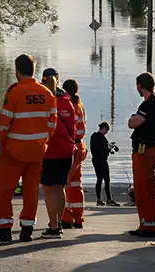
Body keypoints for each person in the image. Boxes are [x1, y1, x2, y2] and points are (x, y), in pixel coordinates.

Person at [0, 54, 57, 243]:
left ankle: (4, 228)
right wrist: (41, 141)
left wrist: (4, 145)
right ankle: (27, 229)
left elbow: (4, 124)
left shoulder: (14, 92)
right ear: (33, 70)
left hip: (14, 150)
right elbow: (52, 124)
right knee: (30, 192)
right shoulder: (47, 93)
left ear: (16, 71)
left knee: (3, 189)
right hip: (37, 151)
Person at [40, 70, 76, 239]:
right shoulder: (67, 102)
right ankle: (59, 222)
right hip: (67, 151)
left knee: (48, 189)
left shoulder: (44, 101)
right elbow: (74, 128)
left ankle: (53, 227)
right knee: (60, 188)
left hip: (49, 152)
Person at [127, 72, 155, 238]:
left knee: (142, 190)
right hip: (150, 150)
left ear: (140, 85)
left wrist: (132, 118)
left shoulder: (148, 105)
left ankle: (147, 225)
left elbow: (132, 123)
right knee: (149, 189)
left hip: (144, 151)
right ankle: (151, 223)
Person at [61, 78, 87, 229]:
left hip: (70, 147)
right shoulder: (80, 105)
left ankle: (66, 217)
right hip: (80, 146)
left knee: (62, 184)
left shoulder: (67, 105)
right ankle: (78, 217)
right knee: (76, 184)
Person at [90, 121, 119, 207]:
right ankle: (107, 199)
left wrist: (109, 148)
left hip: (96, 160)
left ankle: (101, 199)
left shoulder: (94, 136)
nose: (106, 133)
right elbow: (103, 149)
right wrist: (110, 149)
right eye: (107, 130)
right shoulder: (100, 137)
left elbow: (99, 148)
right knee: (105, 179)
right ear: (104, 129)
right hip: (101, 160)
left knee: (101, 179)